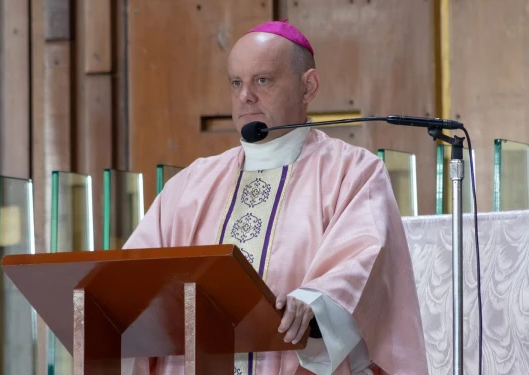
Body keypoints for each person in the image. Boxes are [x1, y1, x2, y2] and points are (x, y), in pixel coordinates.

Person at [123, 20, 428, 375]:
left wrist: (314, 305)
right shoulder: (190, 183)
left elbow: (360, 266)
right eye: (236, 82)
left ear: (308, 86)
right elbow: (131, 280)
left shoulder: (353, 172)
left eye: (262, 80)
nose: (244, 96)